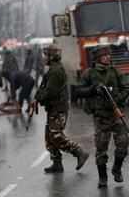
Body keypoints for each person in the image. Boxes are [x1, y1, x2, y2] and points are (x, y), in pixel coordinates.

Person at [76, 46, 129, 188]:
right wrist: (93, 89)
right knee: (101, 148)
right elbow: (79, 91)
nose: (107, 57)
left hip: (115, 114)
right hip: (100, 117)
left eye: (108, 55)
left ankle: (117, 169)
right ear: (97, 58)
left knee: (123, 144)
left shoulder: (115, 71)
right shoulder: (89, 73)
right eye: (104, 55)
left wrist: (117, 99)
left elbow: (126, 87)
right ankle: (103, 177)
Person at [33, 44, 89, 173]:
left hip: (58, 108)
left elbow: (50, 92)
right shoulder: (53, 69)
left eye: (45, 55)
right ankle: (57, 163)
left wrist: (39, 97)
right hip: (54, 107)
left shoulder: (56, 71)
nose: (43, 58)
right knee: (49, 138)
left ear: (51, 57)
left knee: (56, 135)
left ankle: (79, 152)